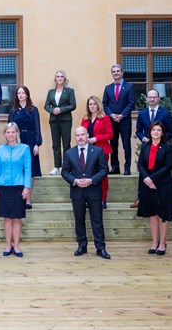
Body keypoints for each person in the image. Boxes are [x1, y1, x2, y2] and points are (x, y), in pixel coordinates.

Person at [61, 126, 111, 260]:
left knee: (97, 220)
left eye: (83, 134)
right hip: (77, 191)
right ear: (75, 137)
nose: (80, 137)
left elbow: (104, 170)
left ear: (87, 135)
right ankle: (82, 245)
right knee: (79, 220)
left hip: (94, 190)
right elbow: (64, 172)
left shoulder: (98, 151)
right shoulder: (69, 153)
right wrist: (75, 181)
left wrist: (92, 180)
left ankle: (100, 248)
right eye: (78, 135)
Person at [137, 121, 172, 255]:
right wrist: (147, 180)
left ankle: (162, 243)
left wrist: (152, 179)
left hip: (163, 184)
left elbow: (168, 166)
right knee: (152, 214)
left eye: (159, 130)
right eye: (154, 130)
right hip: (147, 184)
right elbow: (140, 165)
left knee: (163, 215)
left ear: (162, 133)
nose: (156, 132)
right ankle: (154, 242)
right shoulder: (144, 147)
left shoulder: (168, 147)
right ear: (150, 132)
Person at [0, 123, 32, 258]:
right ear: (4, 134)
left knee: (16, 218)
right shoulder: (0, 149)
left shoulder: (25, 149)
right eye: (8, 132)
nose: (10, 134)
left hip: (19, 186)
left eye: (13, 132)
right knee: (7, 218)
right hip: (3, 187)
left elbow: (28, 169)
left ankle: (16, 245)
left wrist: (27, 187)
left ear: (17, 133)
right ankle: (8, 245)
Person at [131, 89, 172, 208]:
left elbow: (171, 131)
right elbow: (138, 131)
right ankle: (141, 199)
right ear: (146, 99)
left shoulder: (165, 114)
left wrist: (161, 139)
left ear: (158, 98)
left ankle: (160, 198)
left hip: (160, 149)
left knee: (158, 172)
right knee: (144, 172)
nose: (152, 99)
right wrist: (143, 139)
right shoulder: (142, 114)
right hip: (147, 148)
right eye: (150, 97)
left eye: (154, 97)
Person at [8, 85, 42, 208]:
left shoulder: (33, 109)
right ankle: (19, 198)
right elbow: (10, 128)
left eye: (23, 93)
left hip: (31, 140)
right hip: (18, 142)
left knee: (30, 171)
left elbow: (38, 127)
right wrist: (12, 144)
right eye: (18, 93)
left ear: (27, 94)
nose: (21, 95)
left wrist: (37, 144)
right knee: (19, 170)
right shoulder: (13, 110)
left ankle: (28, 199)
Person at [80, 96, 113, 209]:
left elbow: (110, 134)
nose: (92, 106)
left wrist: (96, 139)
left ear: (98, 105)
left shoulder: (105, 118)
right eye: (90, 104)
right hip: (87, 151)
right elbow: (81, 133)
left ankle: (103, 199)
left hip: (101, 151)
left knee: (102, 176)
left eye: (94, 104)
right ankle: (89, 199)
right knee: (88, 174)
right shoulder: (85, 119)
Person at [102, 64, 135, 175]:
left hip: (124, 121)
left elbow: (131, 103)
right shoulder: (108, 88)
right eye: (113, 71)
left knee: (126, 145)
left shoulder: (129, 86)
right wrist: (111, 115)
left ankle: (127, 168)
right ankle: (115, 167)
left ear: (122, 72)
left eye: (117, 71)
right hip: (112, 121)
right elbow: (105, 104)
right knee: (113, 145)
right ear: (112, 74)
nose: (115, 73)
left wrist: (122, 115)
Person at [44, 70, 76, 175]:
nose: (60, 78)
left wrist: (60, 109)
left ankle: (66, 167)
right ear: (55, 79)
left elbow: (73, 105)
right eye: (58, 76)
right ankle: (57, 167)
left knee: (66, 144)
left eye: (62, 76)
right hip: (54, 120)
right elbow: (46, 105)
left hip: (65, 120)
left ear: (65, 79)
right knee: (56, 144)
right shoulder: (51, 92)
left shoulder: (70, 91)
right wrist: (52, 110)